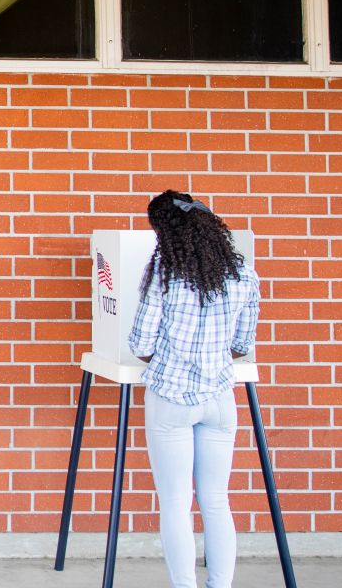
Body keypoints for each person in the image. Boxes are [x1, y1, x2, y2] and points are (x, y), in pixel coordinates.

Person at [129, 190, 262, 588]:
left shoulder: (164, 274)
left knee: (175, 503)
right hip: (220, 398)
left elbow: (141, 345)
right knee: (217, 501)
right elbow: (242, 344)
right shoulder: (244, 275)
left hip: (171, 397)